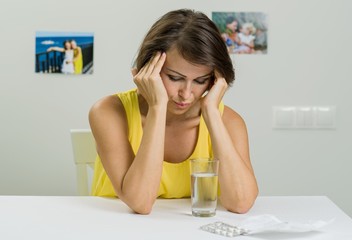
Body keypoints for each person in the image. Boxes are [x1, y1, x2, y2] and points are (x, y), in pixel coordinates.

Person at [89, 9, 258, 214]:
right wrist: (157, 107)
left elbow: (241, 203)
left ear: (215, 80)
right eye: (175, 78)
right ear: (148, 69)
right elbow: (140, 202)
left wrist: (212, 113)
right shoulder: (108, 112)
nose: (186, 94)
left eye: (200, 80)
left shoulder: (229, 121)